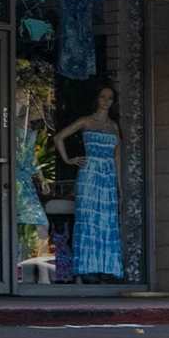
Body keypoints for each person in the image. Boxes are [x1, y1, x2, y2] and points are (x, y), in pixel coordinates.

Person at [55, 83, 123, 282]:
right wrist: (69, 159)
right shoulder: (86, 121)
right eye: (103, 97)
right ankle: (86, 269)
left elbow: (117, 157)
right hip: (89, 175)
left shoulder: (113, 126)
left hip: (108, 177)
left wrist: (120, 188)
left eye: (110, 98)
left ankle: (106, 268)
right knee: (88, 221)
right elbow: (59, 137)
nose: (106, 102)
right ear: (97, 99)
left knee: (107, 221)